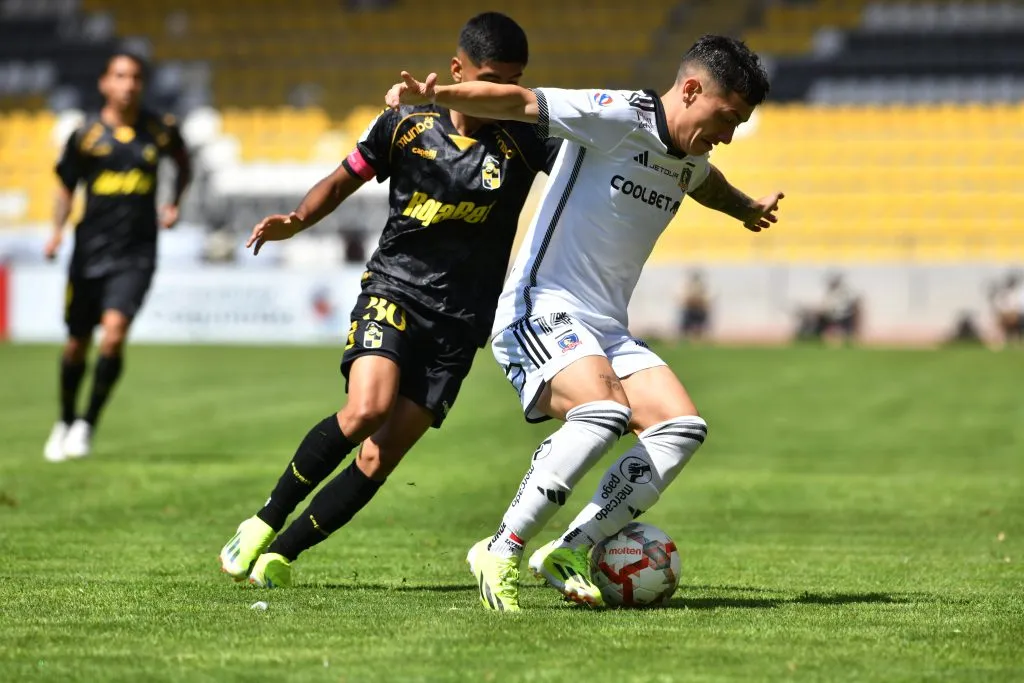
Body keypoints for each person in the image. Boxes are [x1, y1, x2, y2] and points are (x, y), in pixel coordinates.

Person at [388, 34, 782, 611]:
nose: (727, 135)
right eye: (727, 118)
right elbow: (521, 102)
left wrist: (745, 208)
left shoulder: (689, 156)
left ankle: (570, 549)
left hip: (606, 328)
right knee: (603, 412)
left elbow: (704, 181)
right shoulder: (617, 116)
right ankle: (501, 548)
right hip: (540, 307)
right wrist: (440, 96)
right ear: (691, 90)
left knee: (681, 427)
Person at [218, 12, 557, 588]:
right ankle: (264, 521)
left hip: (460, 321)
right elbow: (343, 178)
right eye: (491, 80)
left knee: (379, 457)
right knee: (366, 410)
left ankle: (282, 557)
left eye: (514, 82)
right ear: (457, 71)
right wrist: (297, 220)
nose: (502, 94)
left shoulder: (526, 139)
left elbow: (590, 171)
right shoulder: (404, 123)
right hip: (394, 289)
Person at [42, 51, 192, 462]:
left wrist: (173, 202)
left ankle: (87, 423)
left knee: (114, 332)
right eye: (120, 76)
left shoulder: (160, 129)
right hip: (89, 252)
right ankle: (65, 419)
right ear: (105, 83)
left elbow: (183, 163)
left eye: (135, 77)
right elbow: (65, 187)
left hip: (136, 253)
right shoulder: (86, 135)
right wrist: (56, 232)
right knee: (76, 344)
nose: (128, 85)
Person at [678, 270, 711, 341]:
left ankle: (699, 337)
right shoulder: (688, 286)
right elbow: (684, 300)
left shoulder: (702, 287)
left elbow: (706, 301)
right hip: (690, 310)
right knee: (685, 325)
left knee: (701, 325)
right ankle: (685, 337)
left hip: (699, 310)